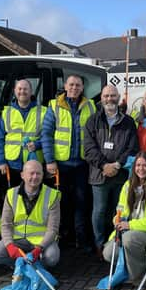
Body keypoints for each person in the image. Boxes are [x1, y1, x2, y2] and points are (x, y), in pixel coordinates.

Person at [41, 74, 96, 252]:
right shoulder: (54, 105)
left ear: (82, 88)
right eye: (71, 84)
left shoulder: (90, 106)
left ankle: (81, 240)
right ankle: (61, 239)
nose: (74, 88)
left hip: (82, 164)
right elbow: (46, 134)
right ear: (65, 86)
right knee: (59, 203)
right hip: (61, 165)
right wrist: (49, 160)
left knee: (82, 203)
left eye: (78, 85)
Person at [84, 85, 139, 252]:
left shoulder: (128, 122)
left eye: (113, 95)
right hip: (98, 175)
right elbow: (88, 148)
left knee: (119, 211)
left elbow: (132, 148)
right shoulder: (93, 120)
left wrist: (116, 165)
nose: (110, 99)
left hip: (120, 175)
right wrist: (103, 165)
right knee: (99, 211)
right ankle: (100, 244)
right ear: (101, 98)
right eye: (106, 96)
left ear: (118, 97)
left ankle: (116, 242)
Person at [102, 151, 146, 281]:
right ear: (134, 168)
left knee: (129, 239)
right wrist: (118, 219)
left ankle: (140, 276)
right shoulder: (128, 185)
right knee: (109, 253)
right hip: (131, 231)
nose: (141, 169)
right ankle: (139, 264)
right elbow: (120, 209)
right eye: (138, 165)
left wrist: (129, 225)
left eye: (145, 165)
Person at [0, 160, 61, 268]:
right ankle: (23, 266)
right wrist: (9, 245)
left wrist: (39, 249)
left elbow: (53, 229)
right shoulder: (11, 194)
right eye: (31, 173)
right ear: (22, 175)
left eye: (38, 173)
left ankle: (35, 268)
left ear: (42, 175)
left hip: (41, 240)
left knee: (52, 257)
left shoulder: (52, 195)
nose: (35, 177)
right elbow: (6, 224)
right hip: (18, 239)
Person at [0, 79, 47, 189]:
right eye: (19, 89)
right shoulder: (6, 113)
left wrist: (37, 144)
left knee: (34, 197)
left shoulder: (43, 112)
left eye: (25, 89)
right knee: (14, 196)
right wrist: (1, 161)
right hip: (12, 164)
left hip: (34, 164)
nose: (22, 91)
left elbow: (48, 137)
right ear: (15, 91)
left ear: (31, 91)